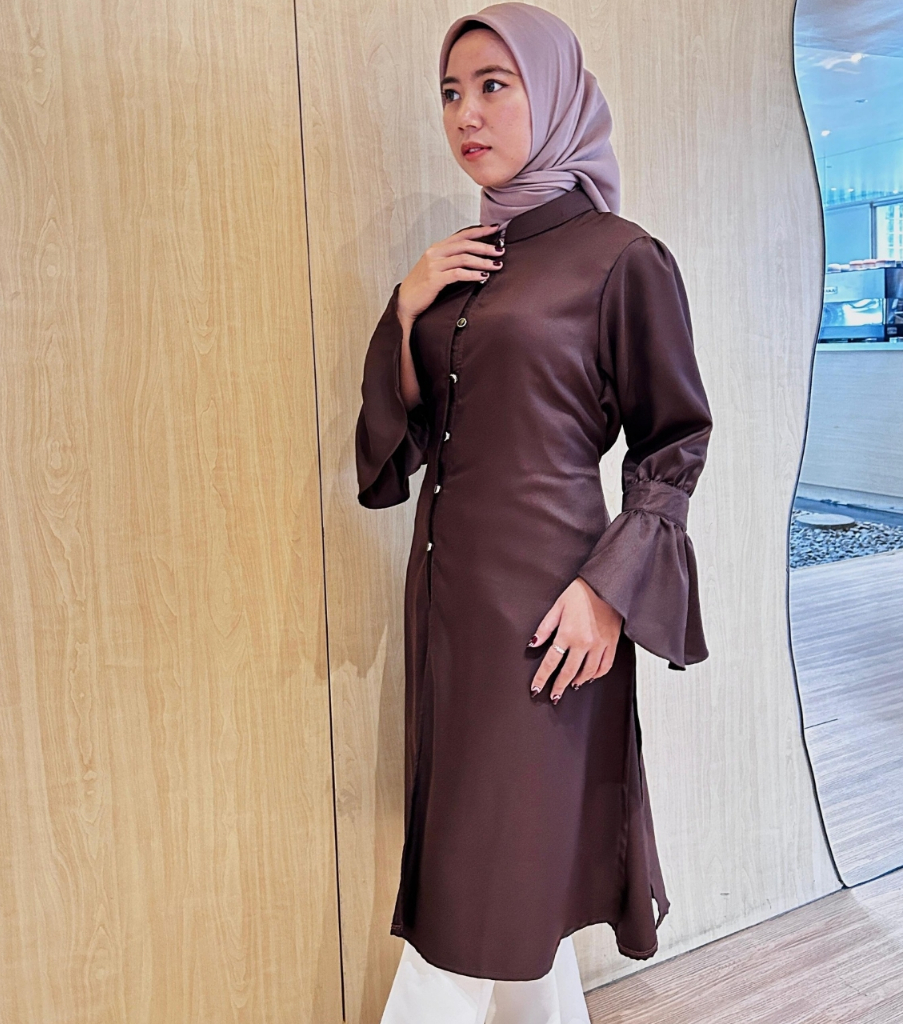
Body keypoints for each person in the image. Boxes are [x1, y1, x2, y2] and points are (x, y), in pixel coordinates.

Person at [354, 4, 713, 1021]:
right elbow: (412, 442)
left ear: (552, 96)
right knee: (510, 874)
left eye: (493, 85)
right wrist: (405, 309)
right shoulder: (461, 263)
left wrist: (609, 594)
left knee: (472, 890)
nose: (465, 113)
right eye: (450, 92)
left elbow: (674, 441)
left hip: (548, 612)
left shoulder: (620, 257)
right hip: (449, 609)